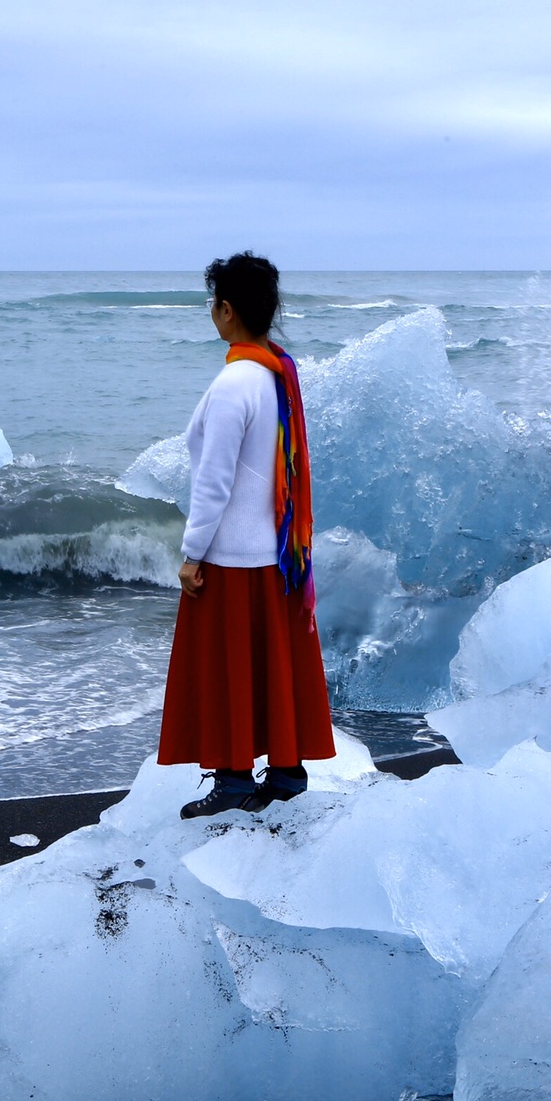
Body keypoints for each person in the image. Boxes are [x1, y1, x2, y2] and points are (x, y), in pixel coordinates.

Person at [157, 251, 336, 818]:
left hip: (234, 554)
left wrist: (192, 552)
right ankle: (284, 771)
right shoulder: (276, 374)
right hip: (276, 552)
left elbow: (213, 480)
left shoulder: (236, 381)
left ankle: (234, 779)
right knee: (271, 668)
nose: (213, 313)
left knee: (229, 671)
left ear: (226, 310)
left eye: (214, 303)